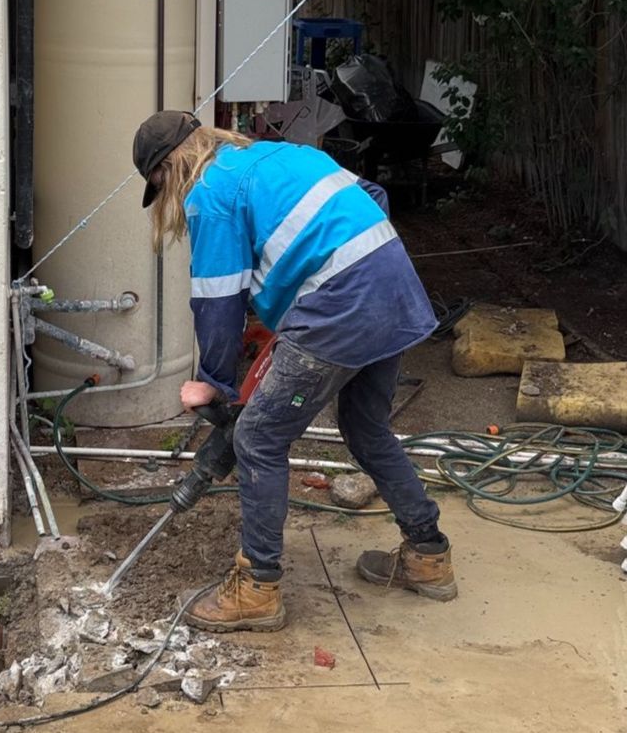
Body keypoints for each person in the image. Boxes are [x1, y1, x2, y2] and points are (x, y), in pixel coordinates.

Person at [133, 109, 456, 631]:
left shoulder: (209, 192)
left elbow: (218, 301)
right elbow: (373, 198)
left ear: (168, 168)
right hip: (390, 287)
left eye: (158, 185)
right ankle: (429, 555)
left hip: (341, 308)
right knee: (366, 427)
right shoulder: (281, 153)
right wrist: (306, 293)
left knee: (257, 437)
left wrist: (214, 382)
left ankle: (258, 589)